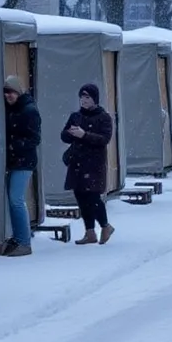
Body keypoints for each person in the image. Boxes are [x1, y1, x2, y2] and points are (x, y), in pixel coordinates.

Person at [62, 83, 115, 245]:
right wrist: (70, 133)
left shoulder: (103, 117)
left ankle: (105, 226)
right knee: (80, 196)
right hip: (77, 161)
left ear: (95, 99)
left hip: (94, 163)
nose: (83, 101)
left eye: (87, 97)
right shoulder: (76, 116)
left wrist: (84, 134)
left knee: (92, 196)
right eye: (82, 97)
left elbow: (104, 139)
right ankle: (89, 231)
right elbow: (64, 136)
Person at [2, 75, 41, 257]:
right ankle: (19, 238)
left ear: (18, 91)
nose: (8, 95)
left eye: (11, 91)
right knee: (14, 199)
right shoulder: (13, 109)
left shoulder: (29, 110)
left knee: (16, 199)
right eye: (5, 92)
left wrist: (13, 145)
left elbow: (35, 139)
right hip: (15, 161)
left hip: (24, 162)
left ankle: (24, 242)